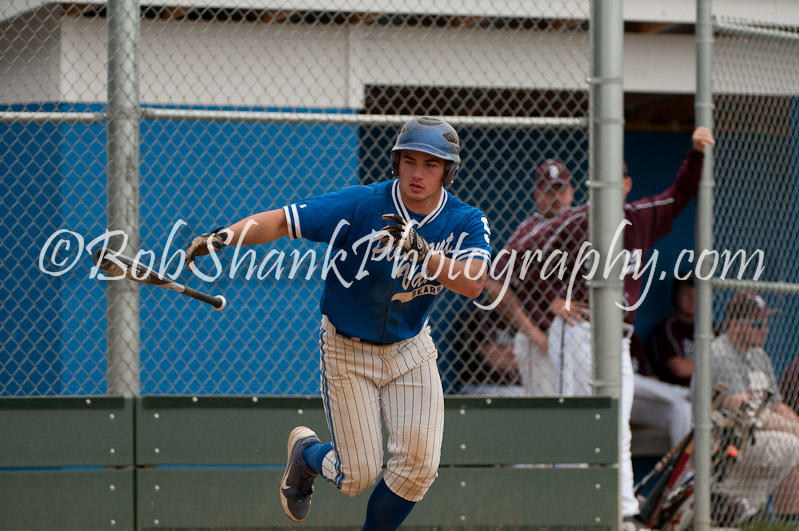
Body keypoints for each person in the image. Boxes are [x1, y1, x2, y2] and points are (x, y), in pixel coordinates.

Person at [184, 117, 492, 530]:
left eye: (431, 164)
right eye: (409, 161)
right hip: (348, 351)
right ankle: (306, 454)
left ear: (447, 171)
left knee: (419, 466)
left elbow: (473, 283)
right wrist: (222, 236)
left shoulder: (465, 219)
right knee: (357, 476)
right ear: (397, 162)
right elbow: (280, 221)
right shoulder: (363, 204)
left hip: (411, 349)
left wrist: (424, 253)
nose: (417, 173)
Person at [493, 126, 714, 528]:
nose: (611, 187)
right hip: (578, 334)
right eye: (603, 182)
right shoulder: (579, 220)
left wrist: (696, 154)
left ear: (627, 183)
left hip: (620, 339)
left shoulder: (641, 216)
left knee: (616, 424)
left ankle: (622, 511)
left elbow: (680, 193)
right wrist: (550, 300)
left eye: (618, 180)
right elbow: (512, 262)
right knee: (576, 422)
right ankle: (572, 510)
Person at [483, 159, 575, 396]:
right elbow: (493, 282)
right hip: (543, 340)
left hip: (579, 338)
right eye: (548, 191)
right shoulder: (529, 232)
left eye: (561, 190)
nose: (557, 198)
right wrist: (533, 334)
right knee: (549, 420)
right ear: (537, 194)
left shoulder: (581, 225)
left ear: (571, 191)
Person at [711, 290, 799, 521]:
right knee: (792, 445)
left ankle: (785, 523)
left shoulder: (759, 355)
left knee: (793, 440)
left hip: (753, 436)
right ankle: (782, 522)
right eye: (758, 324)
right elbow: (742, 408)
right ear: (736, 325)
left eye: (767, 323)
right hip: (723, 440)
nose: (766, 330)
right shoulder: (719, 353)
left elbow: (776, 404)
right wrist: (794, 429)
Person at [629, 330, 692, 448]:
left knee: (683, 408)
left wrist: (650, 381)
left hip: (638, 399)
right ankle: (687, 395)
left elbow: (647, 377)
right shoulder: (592, 336)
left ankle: (682, 464)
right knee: (627, 379)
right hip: (616, 403)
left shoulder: (632, 337)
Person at [650, 272, 697, 387]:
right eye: (686, 292)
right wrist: (714, 366)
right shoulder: (667, 328)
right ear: (675, 296)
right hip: (676, 391)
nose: (692, 298)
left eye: (696, 293)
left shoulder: (712, 327)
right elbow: (679, 368)